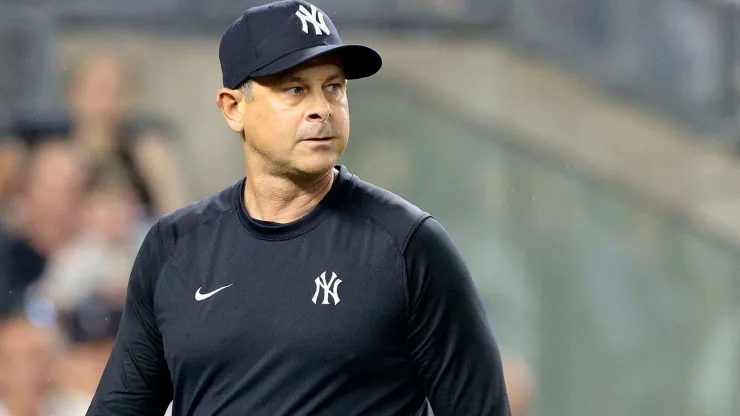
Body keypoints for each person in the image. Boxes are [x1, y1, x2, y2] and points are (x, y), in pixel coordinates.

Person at [87, 1, 511, 415]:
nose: (322, 109)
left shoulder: (408, 246)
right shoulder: (175, 248)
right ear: (234, 108)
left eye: (334, 87)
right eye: (295, 89)